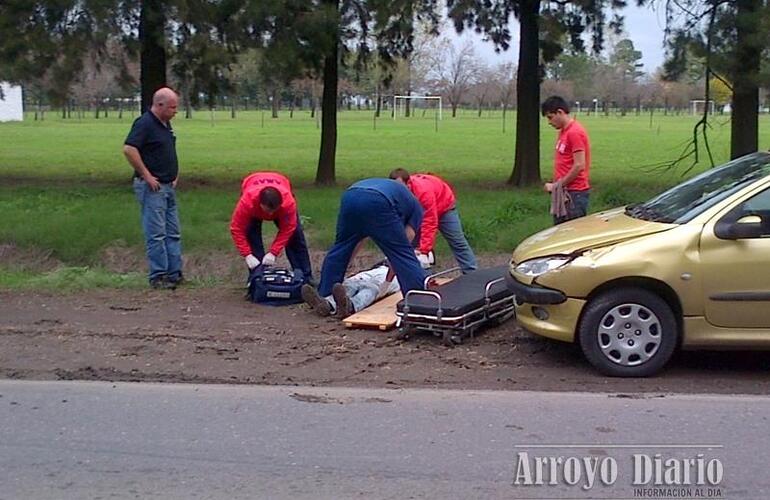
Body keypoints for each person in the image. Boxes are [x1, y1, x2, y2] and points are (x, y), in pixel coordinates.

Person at [302, 178, 426, 311]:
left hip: (351, 195)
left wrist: (345, 262)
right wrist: (391, 274)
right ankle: (417, 301)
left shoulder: (399, 196)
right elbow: (402, 251)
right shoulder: (416, 208)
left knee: (341, 248)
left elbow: (357, 240)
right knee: (403, 255)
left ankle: (325, 295)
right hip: (379, 201)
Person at [123, 87, 183, 289]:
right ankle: (158, 275)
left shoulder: (165, 125)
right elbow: (129, 149)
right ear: (159, 105)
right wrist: (146, 175)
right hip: (153, 188)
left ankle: (174, 272)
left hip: (168, 186)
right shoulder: (145, 123)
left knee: (173, 232)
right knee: (156, 233)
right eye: (172, 107)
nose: (176, 111)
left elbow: (168, 150)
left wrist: (175, 174)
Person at [389, 169, 477, 273]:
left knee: (457, 241)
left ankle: (471, 273)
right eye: (395, 188)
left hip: (444, 207)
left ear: (408, 184)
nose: (398, 191)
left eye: (400, 187)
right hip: (420, 210)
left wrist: (424, 250)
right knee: (414, 244)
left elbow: (429, 222)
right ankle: (423, 277)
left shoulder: (423, 192)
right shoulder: (393, 193)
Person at [230, 172, 312, 281]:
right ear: (260, 203)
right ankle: (257, 279)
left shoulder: (288, 203)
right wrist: (247, 255)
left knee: (295, 238)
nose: (270, 215)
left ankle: (305, 277)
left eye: (274, 211)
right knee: (252, 238)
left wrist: (273, 252)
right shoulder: (247, 202)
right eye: (268, 210)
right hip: (252, 188)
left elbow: (288, 229)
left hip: (281, 186)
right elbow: (237, 229)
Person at [541, 95, 592, 225]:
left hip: (575, 195)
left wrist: (557, 185)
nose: (549, 122)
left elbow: (579, 165)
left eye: (550, 117)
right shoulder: (563, 132)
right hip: (564, 193)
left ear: (560, 112)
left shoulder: (575, 132)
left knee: (571, 237)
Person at [304, 262, 400, 318]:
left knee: (371, 289)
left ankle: (350, 306)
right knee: (352, 283)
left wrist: (388, 281)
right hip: (377, 270)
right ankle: (327, 304)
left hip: (394, 276)